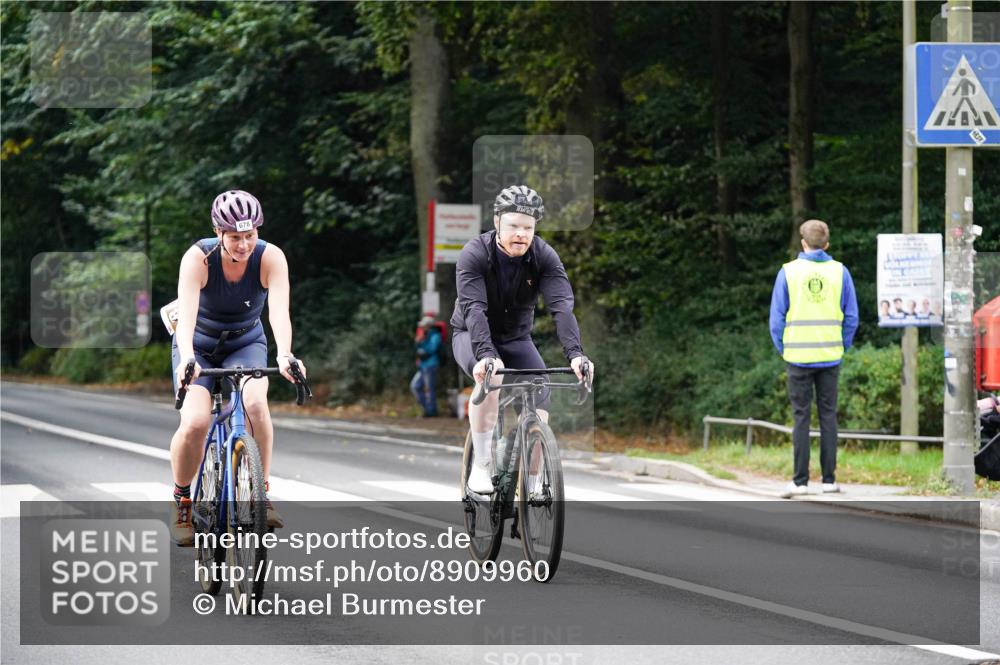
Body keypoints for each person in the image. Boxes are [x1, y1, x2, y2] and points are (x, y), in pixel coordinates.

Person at [168, 190, 306, 545]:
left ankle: (260, 493)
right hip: (197, 343)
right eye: (235, 237)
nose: (244, 244)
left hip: (246, 342)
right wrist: (187, 357)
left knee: (256, 404)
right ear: (218, 232)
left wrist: (285, 354)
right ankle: (183, 499)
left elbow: (278, 312)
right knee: (196, 422)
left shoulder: (270, 257)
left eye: (250, 235)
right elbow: (186, 317)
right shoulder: (198, 258)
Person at [451, 185, 594, 495]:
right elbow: (473, 310)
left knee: (541, 392)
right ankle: (482, 463)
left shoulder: (543, 256)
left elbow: (562, 308)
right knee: (493, 376)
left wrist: (576, 355)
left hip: (517, 338)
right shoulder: (475, 253)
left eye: (528, 227)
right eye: (513, 225)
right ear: (497, 222)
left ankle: (530, 479)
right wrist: (486, 355)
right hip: (472, 335)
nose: (521, 234)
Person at [769, 219, 858, 498]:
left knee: (801, 419)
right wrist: (841, 346)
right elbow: (852, 317)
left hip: (797, 356)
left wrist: (785, 348)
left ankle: (800, 482)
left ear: (803, 243)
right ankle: (829, 480)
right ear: (827, 243)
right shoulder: (840, 272)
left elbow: (776, 319)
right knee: (828, 417)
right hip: (830, 357)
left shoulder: (788, 272)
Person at [410, 315, 441, 417]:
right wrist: (418, 342)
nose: (422, 327)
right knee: (415, 386)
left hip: (431, 364)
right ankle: (427, 408)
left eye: (424, 326)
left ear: (429, 326)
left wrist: (422, 349)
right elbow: (419, 349)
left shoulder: (435, 335)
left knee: (429, 389)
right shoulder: (424, 335)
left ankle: (431, 412)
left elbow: (432, 349)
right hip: (423, 365)